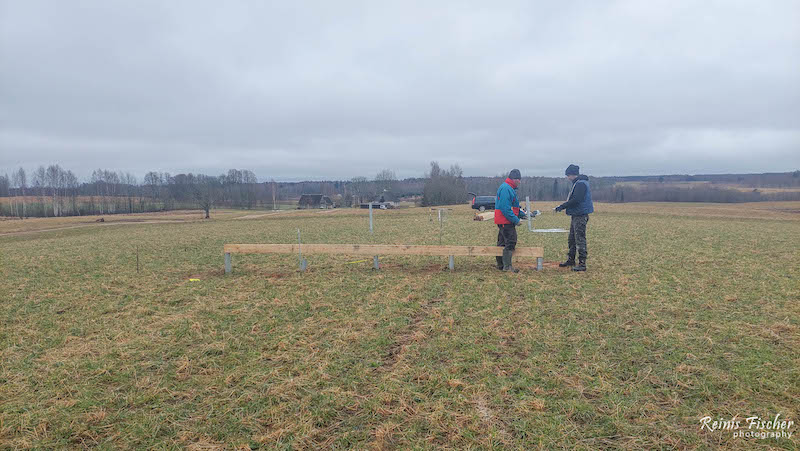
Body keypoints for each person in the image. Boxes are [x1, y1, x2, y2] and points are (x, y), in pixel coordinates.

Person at [554, 164, 593, 271]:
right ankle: (571, 260)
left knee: (580, 239)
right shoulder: (578, 183)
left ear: (571, 174)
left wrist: (562, 206)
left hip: (580, 215)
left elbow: (576, 200)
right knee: (572, 239)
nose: (567, 178)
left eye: (568, 175)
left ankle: (582, 264)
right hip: (576, 215)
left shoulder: (580, 184)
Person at [495, 169, 527, 272]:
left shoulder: (509, 188)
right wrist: (516, 220)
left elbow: (513, 207)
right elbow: (505, 208)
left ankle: (501, 265)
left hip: (504, 220)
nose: (520, 182)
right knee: (511, 242)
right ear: (514, 179)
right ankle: (507, 267)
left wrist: (523, 214)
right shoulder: (506, 188)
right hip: (505, 221)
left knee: (502, 243)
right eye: (519, 179)